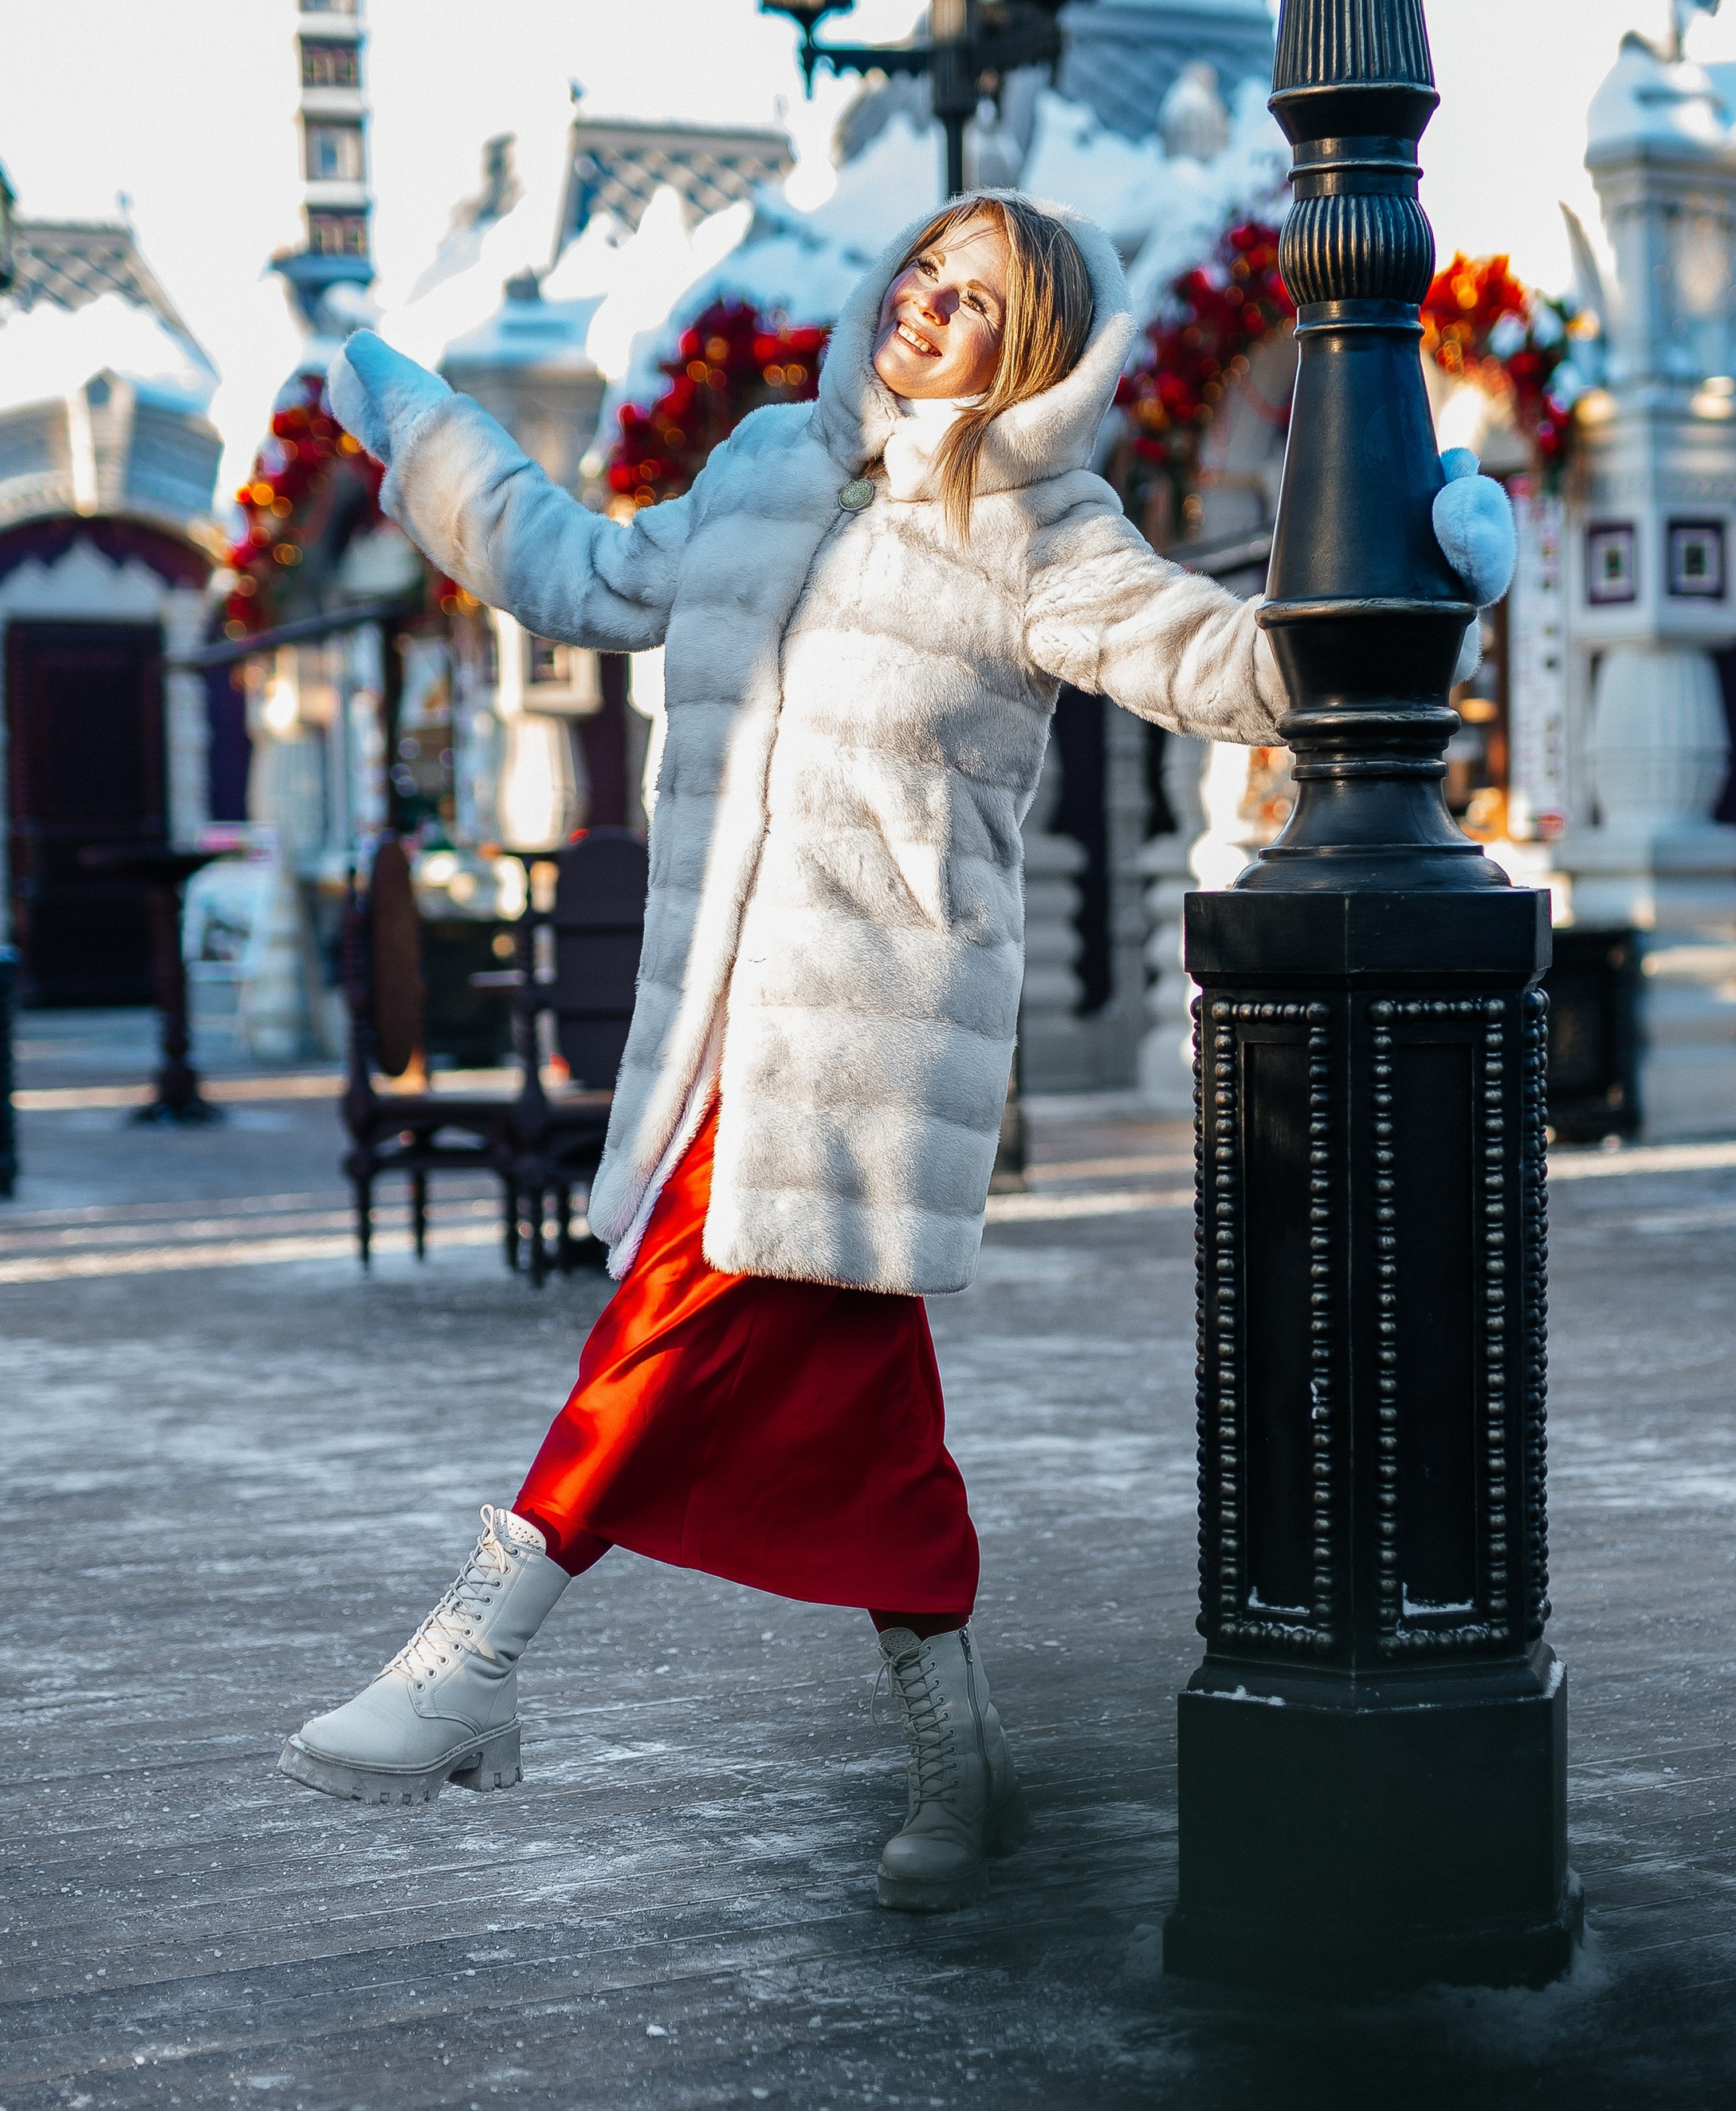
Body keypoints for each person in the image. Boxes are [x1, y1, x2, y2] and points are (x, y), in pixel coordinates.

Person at [277, 191, 1515, 1912]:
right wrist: (422, 428)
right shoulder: (769, 463)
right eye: (924, 274)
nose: (929, 309)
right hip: (719, 1012)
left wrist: (1424, 572)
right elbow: (571, 567)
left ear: (1030, 354)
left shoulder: (1035, 526)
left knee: (672, 1320)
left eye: (979, 302)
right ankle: (968, 1771)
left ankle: (468, 1663)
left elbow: (1217, 661)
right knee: (869, 1434)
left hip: (869, 1034)